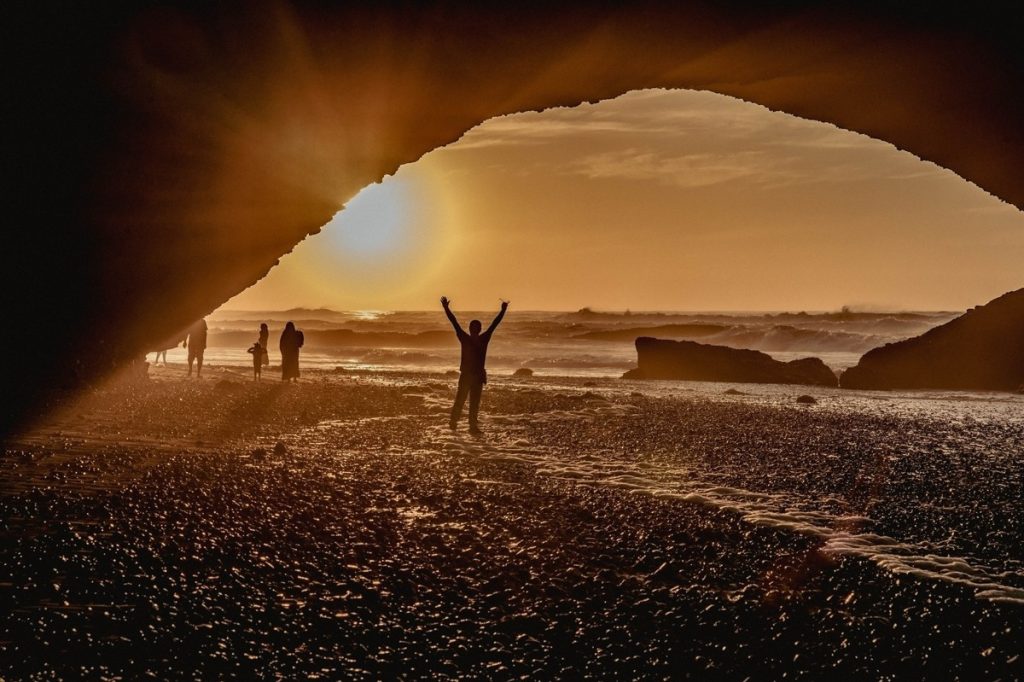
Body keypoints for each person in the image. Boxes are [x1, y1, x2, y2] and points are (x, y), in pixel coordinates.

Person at [442, 296, 508, 433]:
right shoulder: (482, 339)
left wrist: (446, 308)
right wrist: (503, 310)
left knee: (465, 401)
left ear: (471, 329)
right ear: (479, 329)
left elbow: (454, 322)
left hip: (473, 376)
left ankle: (459, 424)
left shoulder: (466, 338)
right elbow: (494, 324)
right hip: (472, 375)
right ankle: (465, 425)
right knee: (469, 401)